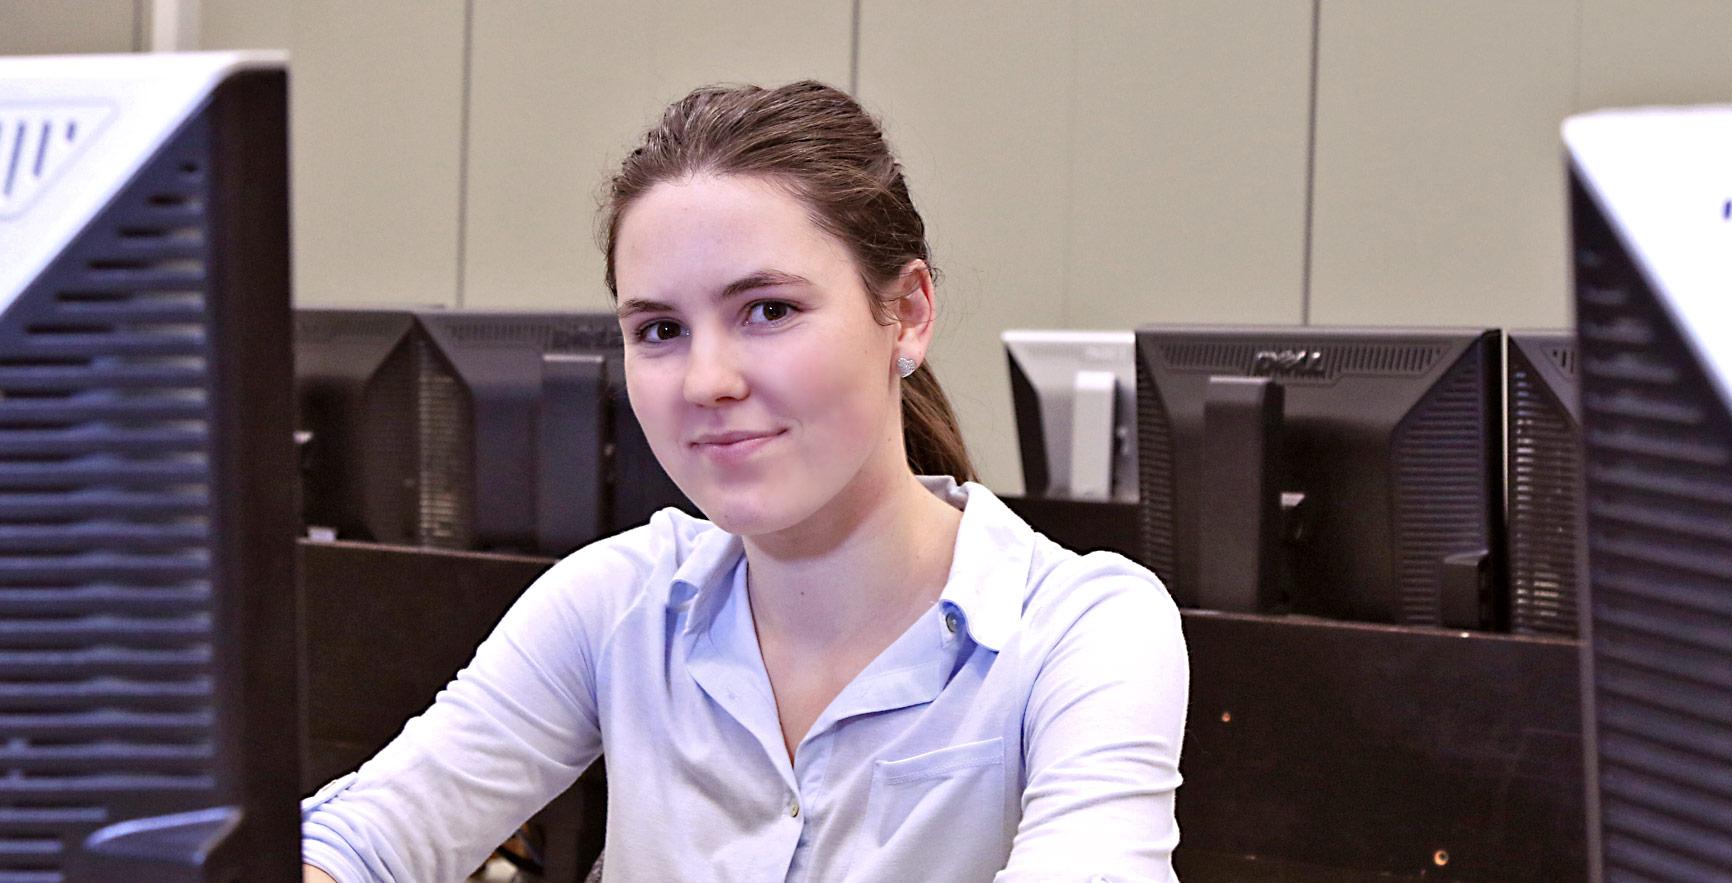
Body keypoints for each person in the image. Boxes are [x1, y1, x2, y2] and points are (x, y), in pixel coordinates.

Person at [300, 80, 1188, 883]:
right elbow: (362, 841)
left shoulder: (1085, 631)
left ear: (909, 314)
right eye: (658, 329)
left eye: (769, 310)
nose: (705, 381)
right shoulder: (616, 602)